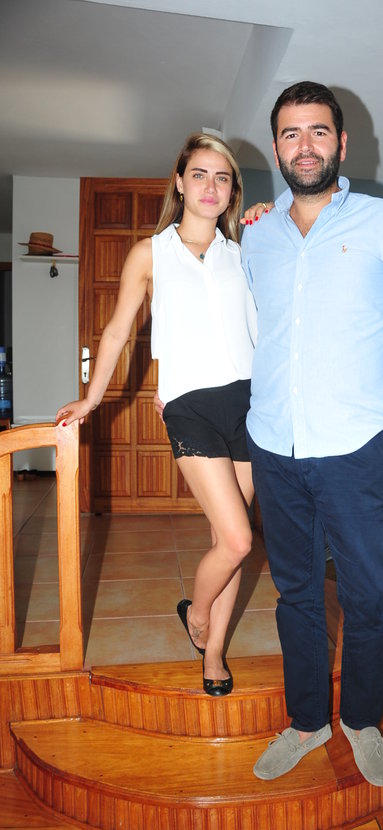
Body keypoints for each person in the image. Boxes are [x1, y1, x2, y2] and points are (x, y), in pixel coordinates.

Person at [240, 81, 383, 785]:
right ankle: (307, 721)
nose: (305, 146)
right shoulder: (256, 234)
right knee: (297, 597)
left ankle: (361, 720)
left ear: (342, 141)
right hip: (275, 449)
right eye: (291, 133)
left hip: (360, 454)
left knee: (365, 599)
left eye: (318, 131)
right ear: (277, 147)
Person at [56, 133, 257, 697]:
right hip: (191, 406)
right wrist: (93, 398)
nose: (211, 186)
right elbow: (119, 329)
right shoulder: (151, 253)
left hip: (250, 404)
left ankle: (212, 653)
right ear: (180, 182)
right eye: (200, 174)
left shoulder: (243, 254)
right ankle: (198, 612)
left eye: (222, 177)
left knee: (227, 539)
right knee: (239, 539)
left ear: (232, 190)